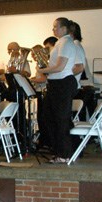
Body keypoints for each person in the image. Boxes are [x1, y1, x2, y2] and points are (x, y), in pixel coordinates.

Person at [36, 17, 78, 163]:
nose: (53, 29)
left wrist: (43, 69)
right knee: (49, 118)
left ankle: (64, 154)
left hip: (63, 84)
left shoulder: (66, 42)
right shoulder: (60, 43)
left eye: (55, 27)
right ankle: (59, 152)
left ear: (64, 29)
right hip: (56, 84)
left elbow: (60, 67)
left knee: (60, 120)